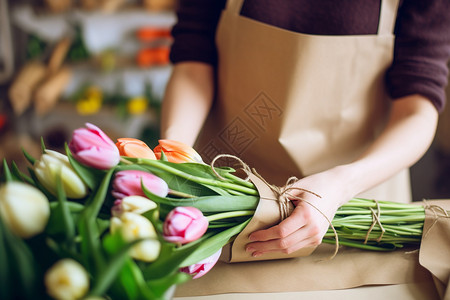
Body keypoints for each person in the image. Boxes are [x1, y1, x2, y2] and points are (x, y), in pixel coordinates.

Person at [160, 0, 450, 259]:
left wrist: (340, 186)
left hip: (353, 207)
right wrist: (174, 151)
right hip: (229, 197)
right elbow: (194, 61)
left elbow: (416, 110)